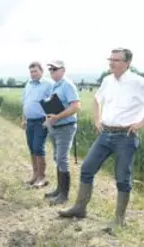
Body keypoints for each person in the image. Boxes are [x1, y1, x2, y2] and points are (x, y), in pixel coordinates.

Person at [58, 48, 144, 232]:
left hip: (125, 137)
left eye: (116, 60)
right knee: (87, 168)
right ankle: (80, 208)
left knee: (122, 177)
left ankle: (119, 220)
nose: (111, 63)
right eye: (110, 59)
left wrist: (139, 124)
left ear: (127, 63)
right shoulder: (107, 80)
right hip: (105, 134)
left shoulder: (138, 82)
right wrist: (97, 120)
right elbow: (97, 100)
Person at [43, 60, 81, 205]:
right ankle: (59, 190)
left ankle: (64, 195)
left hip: (66, 127)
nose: (52, 72)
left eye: (55, 69)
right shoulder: (55, 86)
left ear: (63, 70)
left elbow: (76, 106)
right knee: (57, 157)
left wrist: (57, 117)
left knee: (62, 158)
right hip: (55, 127)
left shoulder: (67, 85)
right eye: (50, 69)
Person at [22, 61, 53, 188]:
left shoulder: (48, 84)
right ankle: (35, 175)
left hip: (41, 121)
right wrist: (23, 118)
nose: (33, 74)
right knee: (31, 147)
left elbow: (53, 103)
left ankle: (42, 177)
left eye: (35, 71)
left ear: (41, 71)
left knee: (38, 147)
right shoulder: (28, 85)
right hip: (29, 121)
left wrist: (49, 119)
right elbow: (25, 102)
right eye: (31, 71)